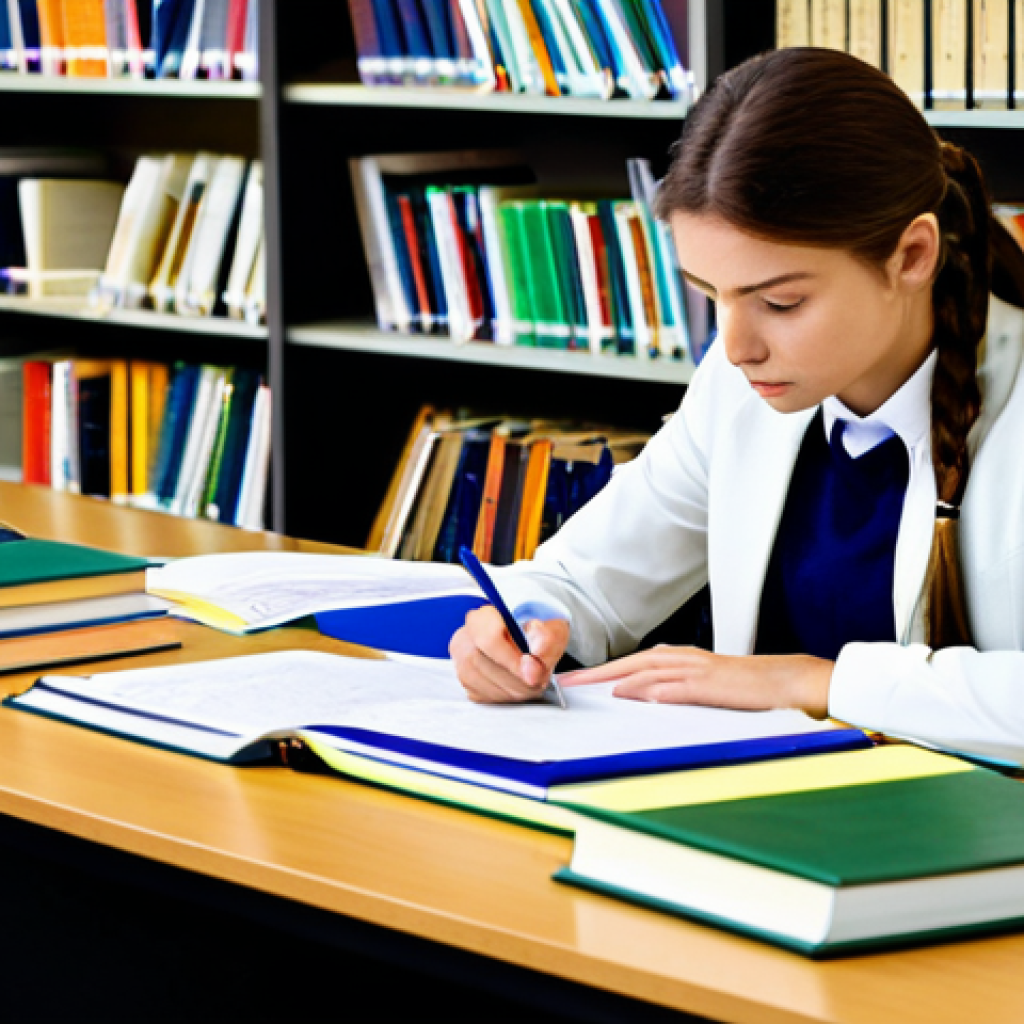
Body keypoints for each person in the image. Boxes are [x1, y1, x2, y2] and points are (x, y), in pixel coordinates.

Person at [448, 46, 1024, 765]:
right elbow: (587, 577)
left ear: (911, 257)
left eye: (781, 301)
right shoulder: (737, 382)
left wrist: (811, 680)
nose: (736, 344)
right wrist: (523, 624)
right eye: (710, 293)